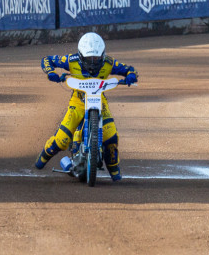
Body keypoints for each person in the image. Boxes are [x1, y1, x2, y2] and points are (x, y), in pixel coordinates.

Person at [33, 32, 138, 181]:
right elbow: (47, 60)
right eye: (89, 59)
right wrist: (51, 72)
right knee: (62, 139)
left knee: (111, 136)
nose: (93, 63)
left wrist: (131, 75)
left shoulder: (109, 63)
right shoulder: (71, 60)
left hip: (100, 101)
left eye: (96, 58)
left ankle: (114, 169)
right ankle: (44, 156)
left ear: (103, 55)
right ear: (81, 55)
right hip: (78, 101)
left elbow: (129, 69)